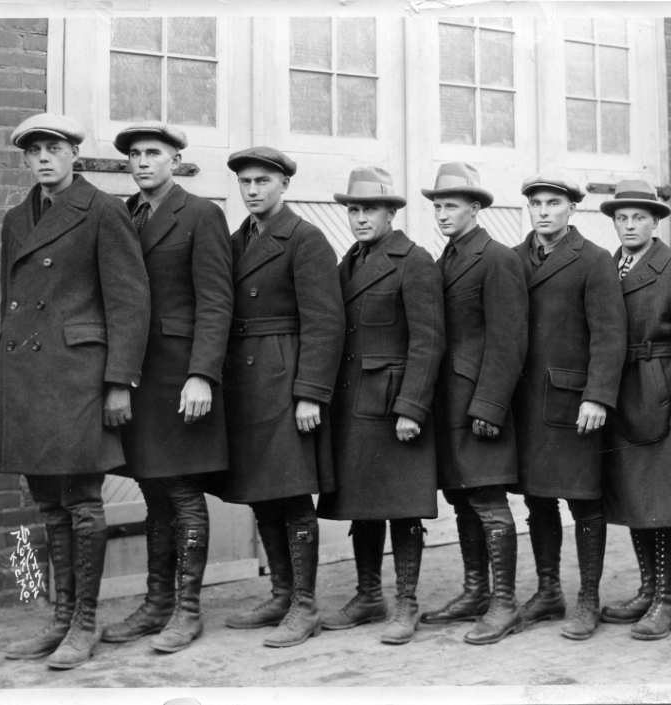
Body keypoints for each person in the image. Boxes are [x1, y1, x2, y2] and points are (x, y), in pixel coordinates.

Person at [0, 113, 150, 669]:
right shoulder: (14, 219)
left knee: (81, 501)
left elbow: (129, 302)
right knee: (49, 504)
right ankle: (58, 619)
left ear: (75, 153)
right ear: (25, 160)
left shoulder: (103, 211)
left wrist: (120, 381)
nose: (45, 158)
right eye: (34, 151)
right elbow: (13, 293)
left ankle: (85, 623)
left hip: (78, 375)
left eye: (54, 148)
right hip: (28, 376)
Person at [101, 122, 233, 653]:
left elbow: (217, 301)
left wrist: (203, 374)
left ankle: (187, 609)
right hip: (137, 375)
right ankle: (156, 603)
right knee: (153, 489)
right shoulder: (122, 215)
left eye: (154, 153)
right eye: (135, 154)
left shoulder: (202, 214)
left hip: (181, 376)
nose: (143, 162)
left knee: (181, 491)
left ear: (176, 160)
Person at [219, 147, 345, 648]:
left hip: (286, 375)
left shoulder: (306, 239)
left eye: (262, 182)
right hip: (247, 382)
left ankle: (305, 605)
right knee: (262, 491)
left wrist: (311, 392)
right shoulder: (235, 241)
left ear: (284, 185)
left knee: (292, 494)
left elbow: (325, 323)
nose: (252, 191)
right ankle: (280, 593)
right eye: (245, 183)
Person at [318, 167, 445, 645]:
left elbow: (428, 341)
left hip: (393, 404)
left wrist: (412, 407)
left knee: (401, 508)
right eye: (353, 209)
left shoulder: (414, 261)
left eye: (369, 208)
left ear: (391, 213)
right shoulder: (348, 261)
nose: (360, 217)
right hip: (352, 403)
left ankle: (406, 603)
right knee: (362, 505)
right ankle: (368, 594)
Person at [511, 173, 626, 641]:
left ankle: (588, 599)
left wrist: (597, 395)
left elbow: (609, 334)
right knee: (538, 499)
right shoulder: (513, 258)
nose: (543, 211)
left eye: (552, 203)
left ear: (570, 210)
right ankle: (547, 590)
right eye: (535, 203)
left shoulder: (594, 261)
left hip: (573, 402)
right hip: (527, 403)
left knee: (583, 502)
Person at [598, 180, 671, 640]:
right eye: (622, 218)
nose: (630, 225)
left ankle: (666, 600)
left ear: (655, 221)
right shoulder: (609, 268)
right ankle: (648, 590)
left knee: (664, 503)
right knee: (634, 499)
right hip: (622, 395)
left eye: (639, 217)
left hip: (662, 398)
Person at [418, 162, 529, 645]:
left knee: (487, 499)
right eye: (438, 206)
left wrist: (490, 405)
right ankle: (475, 591)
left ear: (476, 209)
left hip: (480, 403)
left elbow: (509, 341)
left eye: (451, 206)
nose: (442, 214)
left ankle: (504, 604)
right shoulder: (445, 258)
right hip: (449, 401)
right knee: (462, 498)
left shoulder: (496, 258)